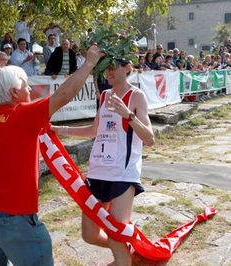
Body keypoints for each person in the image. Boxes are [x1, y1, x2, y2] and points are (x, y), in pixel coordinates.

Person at [0, 45, 102, 266]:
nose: (30, 90)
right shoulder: (21, 115)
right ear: (14, 92)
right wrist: (89, 64)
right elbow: (63, 95)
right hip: (11, 217)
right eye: (25, 84)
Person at [52, 58, 155, 266]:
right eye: (106, 67)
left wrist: (128, 115)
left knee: (117, 237)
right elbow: (93, 130)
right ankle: (126, 250)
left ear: (127, 68)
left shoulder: (136, 96)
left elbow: (150, 138)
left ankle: (123, 256)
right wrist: (58, 129)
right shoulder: (106, 95)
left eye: (113, 66)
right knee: (89, 235)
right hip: (97, 173)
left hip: (122, 175)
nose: (108, 71)